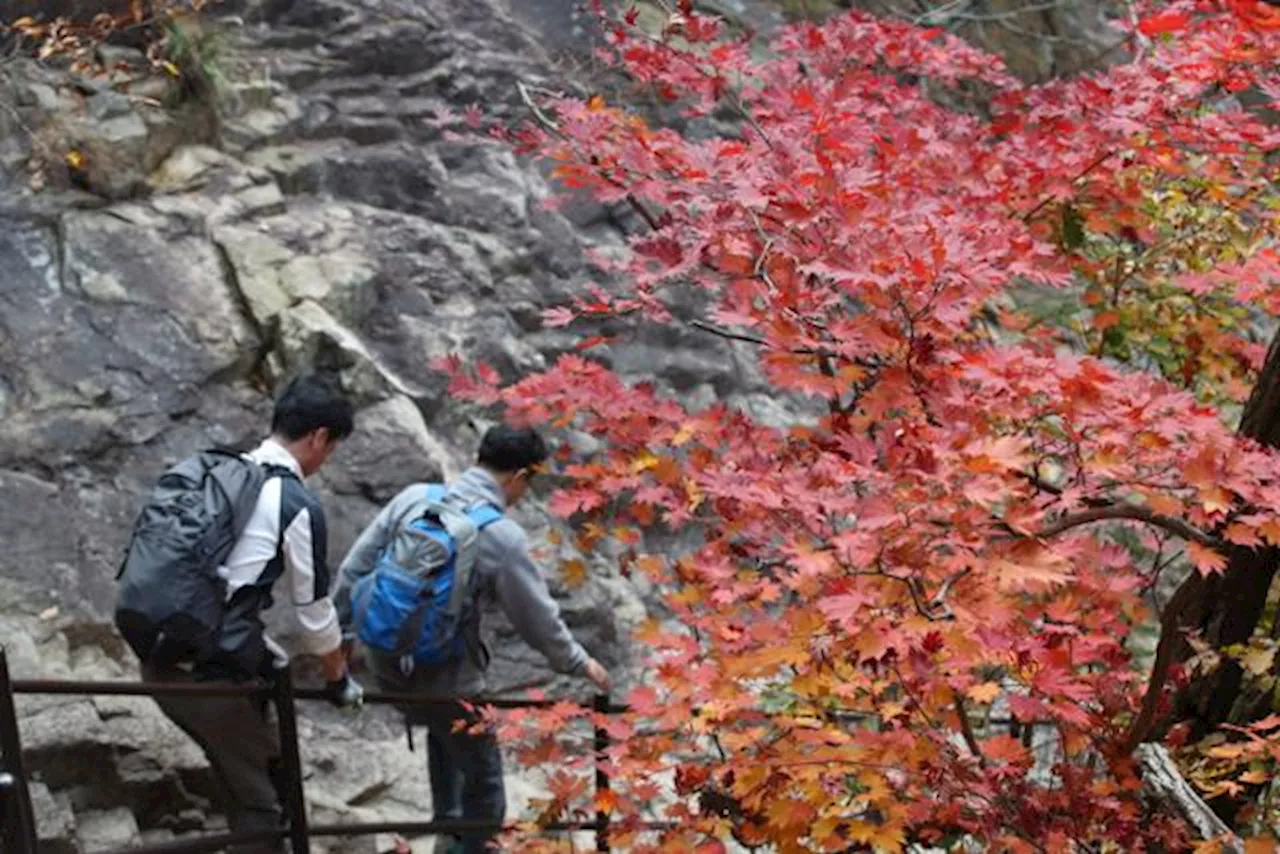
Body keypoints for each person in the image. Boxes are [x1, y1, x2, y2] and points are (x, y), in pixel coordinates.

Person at [335, 424, 610, 854]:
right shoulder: (498, 535)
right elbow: (536, 618)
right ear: (520, 476)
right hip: (448, 678)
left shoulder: (414, 499)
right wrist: (578, 661)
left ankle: (447, 830)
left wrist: (343, 636)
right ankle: (466, 845)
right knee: (484, 784)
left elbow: (354, 569)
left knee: (442, 732)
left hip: (387, 664)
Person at [138, 374, 366, 852]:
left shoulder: (219, 472)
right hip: (206, 672)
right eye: (331, 448)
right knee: (262, 806)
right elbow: (315, 616)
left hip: (160, 649)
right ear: (319, 436)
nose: (326, 461)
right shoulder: (292, 500)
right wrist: (337, 678)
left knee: (265, 771)